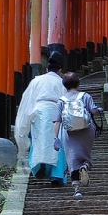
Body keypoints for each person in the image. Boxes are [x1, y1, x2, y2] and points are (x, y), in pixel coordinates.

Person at [14, 51, 68, 184]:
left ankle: (38, 166)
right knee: (57, 141)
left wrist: (24, 122)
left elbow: (28, 100)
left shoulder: (36, 80)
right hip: (56, 112)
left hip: (38, 112)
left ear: (46, 68)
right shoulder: (62, 82)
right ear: (60, 70)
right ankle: (57, 174)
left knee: (38, 140)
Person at [53, 72, 103, 197]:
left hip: (69, 133)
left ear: (64, 86)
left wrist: (55, 138)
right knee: (85, 154)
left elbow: (57, 120)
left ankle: (77, 189)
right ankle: (85, 166)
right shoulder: (85, 96)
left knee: (72, 158)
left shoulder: (61, 101)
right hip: (86, 131)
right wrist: (98, 110)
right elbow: (93, 111)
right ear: (78, 83)